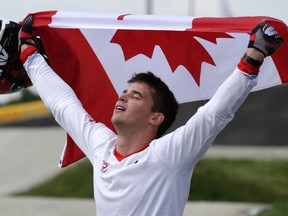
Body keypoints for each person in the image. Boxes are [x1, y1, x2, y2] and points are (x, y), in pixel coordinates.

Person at [19, 15, 283, 216]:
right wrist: (29, 54)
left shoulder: (168, 155)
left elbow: (214, 114)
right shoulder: (102, 146)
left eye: (136, 96)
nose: (122, 97)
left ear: (156, 118)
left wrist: (254, 56)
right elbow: (63, 105)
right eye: (125, 91)